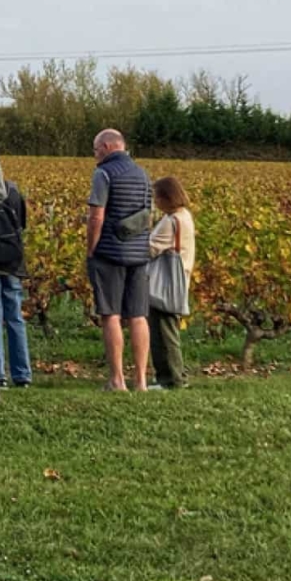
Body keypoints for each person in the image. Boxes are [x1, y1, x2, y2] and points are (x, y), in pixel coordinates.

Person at [86, 128, 152, 392]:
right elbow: (147, 214)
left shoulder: (103, 173)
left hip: (110, 253)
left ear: (106, 147)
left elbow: (96, 216)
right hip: (139, 254)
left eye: (95, 150)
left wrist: (92, 248)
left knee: (110, 314)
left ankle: (117, 380)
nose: (94, 156)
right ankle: (142, 380)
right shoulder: (143, 174)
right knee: (138, 316)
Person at [147, 176, 196, 390]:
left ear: (168, 197)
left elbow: (151, 248)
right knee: (166, 329)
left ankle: (173, 379)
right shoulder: (184, 216)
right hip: (179, 278)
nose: (155, 202)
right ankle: (168, 377)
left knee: (164, 332)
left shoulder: (171, 221)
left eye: (157, 197)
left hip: (166, 283)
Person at [0, 179, 32, 388]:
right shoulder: (13, 189)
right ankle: (22, 374)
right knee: (15, 317)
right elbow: (22, 223)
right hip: (14, 258)